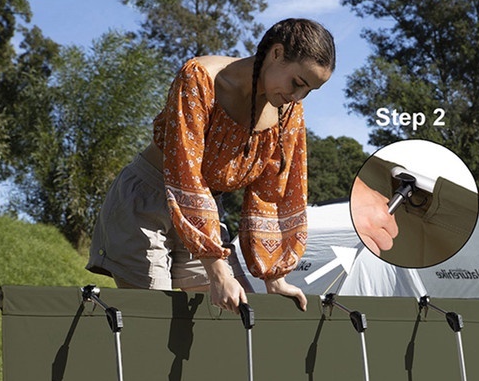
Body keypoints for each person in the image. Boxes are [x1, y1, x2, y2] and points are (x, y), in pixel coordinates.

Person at [87, 18, 336, 313]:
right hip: (146, 203)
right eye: (298, 83)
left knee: (230, 312)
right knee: (154, 318)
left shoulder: (287, 111)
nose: (297, 97)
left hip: (206, 213)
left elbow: (273, 192)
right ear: (277, 53)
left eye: (308, 91)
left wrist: (274, 276)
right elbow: (185, 173)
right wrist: (217, 271)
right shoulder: (200, 78)